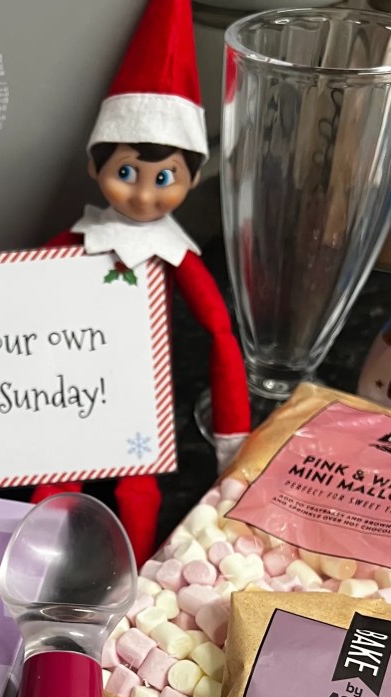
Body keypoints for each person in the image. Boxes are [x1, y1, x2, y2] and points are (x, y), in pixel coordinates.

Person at [34, 0, 251, 563]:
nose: (144, 193)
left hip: (140, 395)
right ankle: (38, 570)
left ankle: (138, 577)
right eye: (126, 172)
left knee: (139, 489)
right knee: (55, 482)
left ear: (194, 178)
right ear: (95, 166)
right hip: (65, 384)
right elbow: (20, 291)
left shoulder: (174, 254)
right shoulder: (74, 242)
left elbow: (220, 333)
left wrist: (233, 435)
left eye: (166, 177)